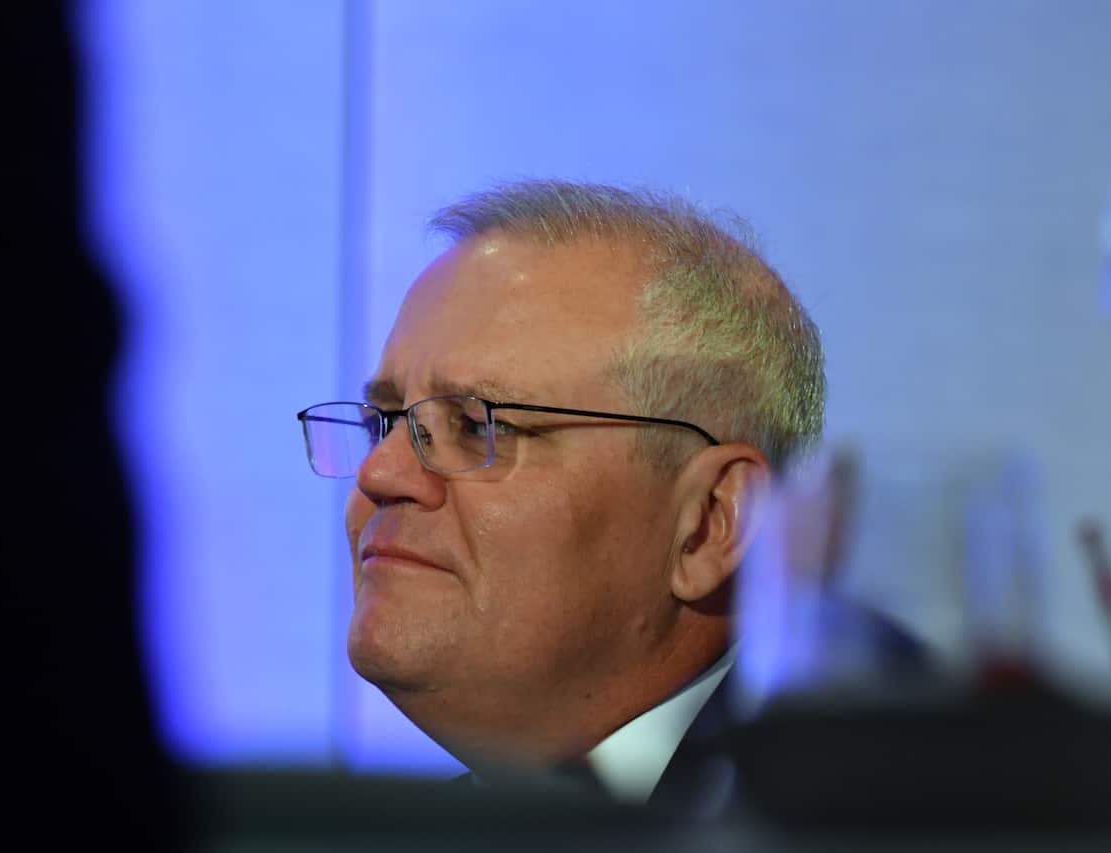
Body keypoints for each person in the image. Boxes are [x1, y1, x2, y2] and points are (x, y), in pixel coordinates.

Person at [298, 180, 825, 804]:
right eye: (380, 422)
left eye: (473, 426)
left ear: (710, 523)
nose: (378, 474)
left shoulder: (862, 822)